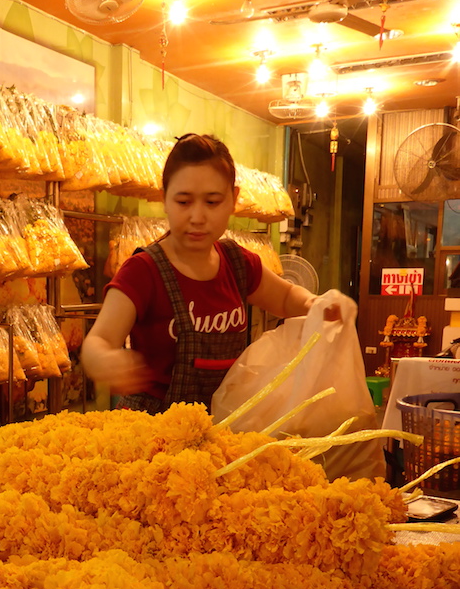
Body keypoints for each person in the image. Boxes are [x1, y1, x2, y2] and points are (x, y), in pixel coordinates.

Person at [82, 133, 341, 413]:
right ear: (164, 199)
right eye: (183, 202)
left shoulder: (238, 263)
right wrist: (106, 360)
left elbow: (286, 296)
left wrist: (313, 304)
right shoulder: (144, 271)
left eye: (212, 202)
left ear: (233, 200)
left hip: (224, 421)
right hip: (153, 431)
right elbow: (97, 342)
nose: (197, 216)